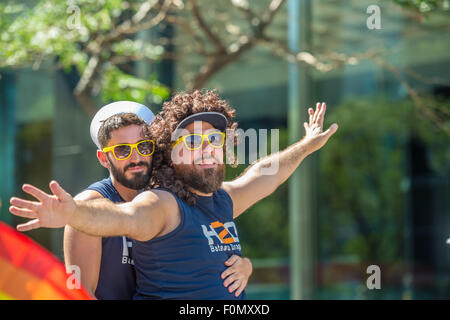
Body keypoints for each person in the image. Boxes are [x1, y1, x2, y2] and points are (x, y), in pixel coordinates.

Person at [9, 90, 338, 300]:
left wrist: (307, 145)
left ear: (156, 151)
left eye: (143, 146)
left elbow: (264, 175)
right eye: (192, 142)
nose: (136, 156)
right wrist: (72, 213)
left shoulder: (217, 199)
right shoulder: (156, 203)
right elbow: (122, 219)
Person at [63, 100, 253, 299]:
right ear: (103, 158)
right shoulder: (88, 206)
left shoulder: (170, 197)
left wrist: (242, 265)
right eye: (122, 150)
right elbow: (77, 293)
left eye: (144, 146)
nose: (136, 158)